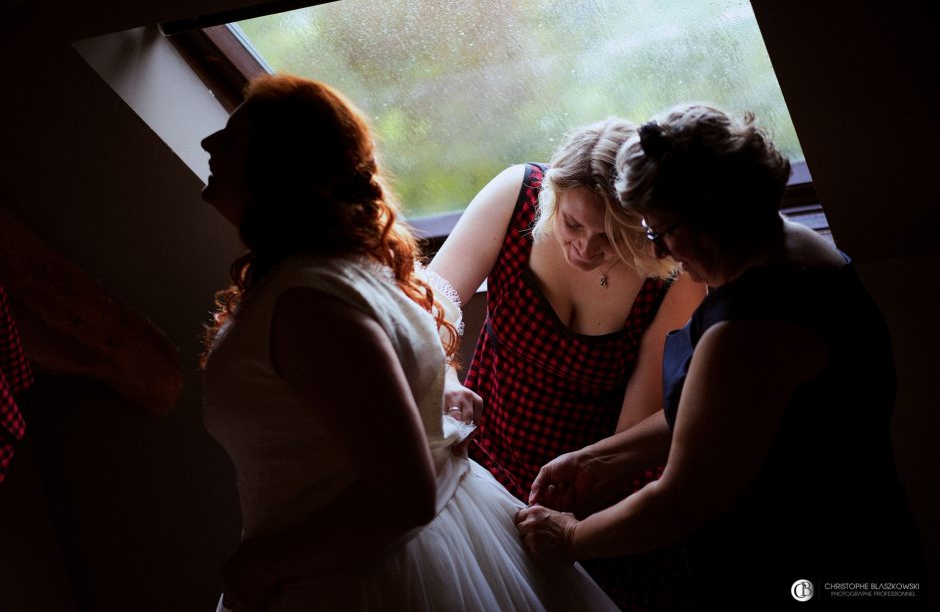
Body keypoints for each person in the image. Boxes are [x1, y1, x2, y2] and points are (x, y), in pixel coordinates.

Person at [198, 73, 620, 612]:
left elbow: (403, 494)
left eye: (231, 140)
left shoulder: (310, 305)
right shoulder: (350, 266)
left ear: (278, 170)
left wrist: (258, 566)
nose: (210, 144)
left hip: (353, 578)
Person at [515, 104, 927, 609]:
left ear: (706, 222)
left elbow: (680, 502)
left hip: (806, 563)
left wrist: (569, 538)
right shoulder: (783, 246)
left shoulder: (752, 330)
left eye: (658, 232)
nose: (663, 253)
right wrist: (598, 460)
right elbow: (719, 415)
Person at [428, 118, 706, 609]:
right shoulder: (517, 193)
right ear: (553, 195)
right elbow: (430, 306)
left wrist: (574, 515)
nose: (584, 248)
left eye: (612, 238)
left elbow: (635, 428)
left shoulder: (672, 274)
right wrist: (446, 377)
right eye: (573, 224)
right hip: (485, 457)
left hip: (591, 483)